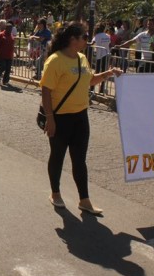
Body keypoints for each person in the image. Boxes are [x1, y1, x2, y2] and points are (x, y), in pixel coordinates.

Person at [40, 21, 122, 214]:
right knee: (57, 156)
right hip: (60, 117)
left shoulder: (82, 58)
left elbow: (89, 80)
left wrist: (109, 73)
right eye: (84, 37)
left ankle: (84, 200)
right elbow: (46, 90)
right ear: (72, 39)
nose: (88, 40)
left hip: (80, 117)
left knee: (79, 159)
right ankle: (55, 193)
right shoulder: (55, 60)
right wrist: (50, 118)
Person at [0, 20, 15, 85]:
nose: (10, 30)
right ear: (6, 28)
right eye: (9, 28)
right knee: (3, 67)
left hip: (9, 55)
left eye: (11, 28)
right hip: (2, 55)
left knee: (8, 69)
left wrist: (13, 54)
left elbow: (12, 45)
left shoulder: (11, 35)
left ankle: (5, 81)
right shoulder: (0, 35)